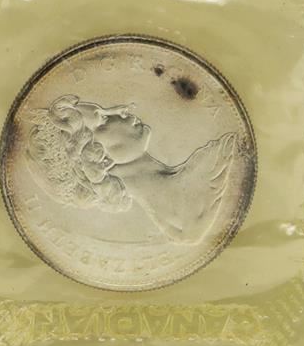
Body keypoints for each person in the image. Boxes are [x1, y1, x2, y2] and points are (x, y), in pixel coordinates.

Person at [25, 95, 243, 244]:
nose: (121, 111)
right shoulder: (216, 160)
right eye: (103, 118)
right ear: (95, 156)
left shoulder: (207, 165)